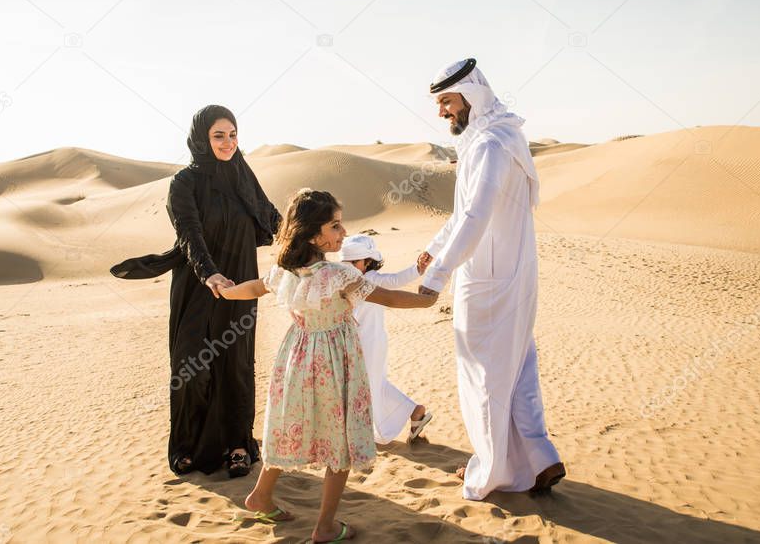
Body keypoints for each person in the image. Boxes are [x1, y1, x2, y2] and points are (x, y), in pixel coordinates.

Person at [218, 189, 437, 542]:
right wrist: (426, 301)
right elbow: (389, 297)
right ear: (313, 234)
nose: (343, 232)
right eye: (335, 225)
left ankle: (260, 496)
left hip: (297, 358)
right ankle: (324, 526)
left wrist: (226, 291)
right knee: (342, 438)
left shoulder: (285, 272)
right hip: (335, 361)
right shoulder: (337, 275)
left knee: (288, 425)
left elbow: (254, 289)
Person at [417, 58, 565, 500]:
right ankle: (538, 459)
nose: (442, 112)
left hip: (487, 280)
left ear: (472, 94)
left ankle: (492, 470)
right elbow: (467, 212)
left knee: (483, 376)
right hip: (513, 275)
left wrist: (438, 274)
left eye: (446, 101)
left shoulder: (489, 146)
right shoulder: (502, 137)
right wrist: (435, 247)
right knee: (516, 367)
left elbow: (476, 216)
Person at [110, 105, 281, 478]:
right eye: (219, 135)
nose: (228, 142)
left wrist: (307, 237)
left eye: (233, 134)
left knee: (236, 365)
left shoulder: (243, 177)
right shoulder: (184, 183)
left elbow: (272, 219)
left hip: (240, 284)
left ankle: (238, 444)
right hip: (198, 285)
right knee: (192, 367)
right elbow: (189, 233)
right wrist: (210, 274)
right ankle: (188, 446)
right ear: (202, 138)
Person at [340, 234, 433, 443]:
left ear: (367, 262)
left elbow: (394, 280)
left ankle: (357, 433)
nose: (350, 266)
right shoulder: (344, 280)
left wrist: (417, 269)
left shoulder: (371, 279)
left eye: (355, 262)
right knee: (373, 384)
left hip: (371, 344)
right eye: (347, 262)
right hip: (354, 344)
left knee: (368, 386)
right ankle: (415, 411)